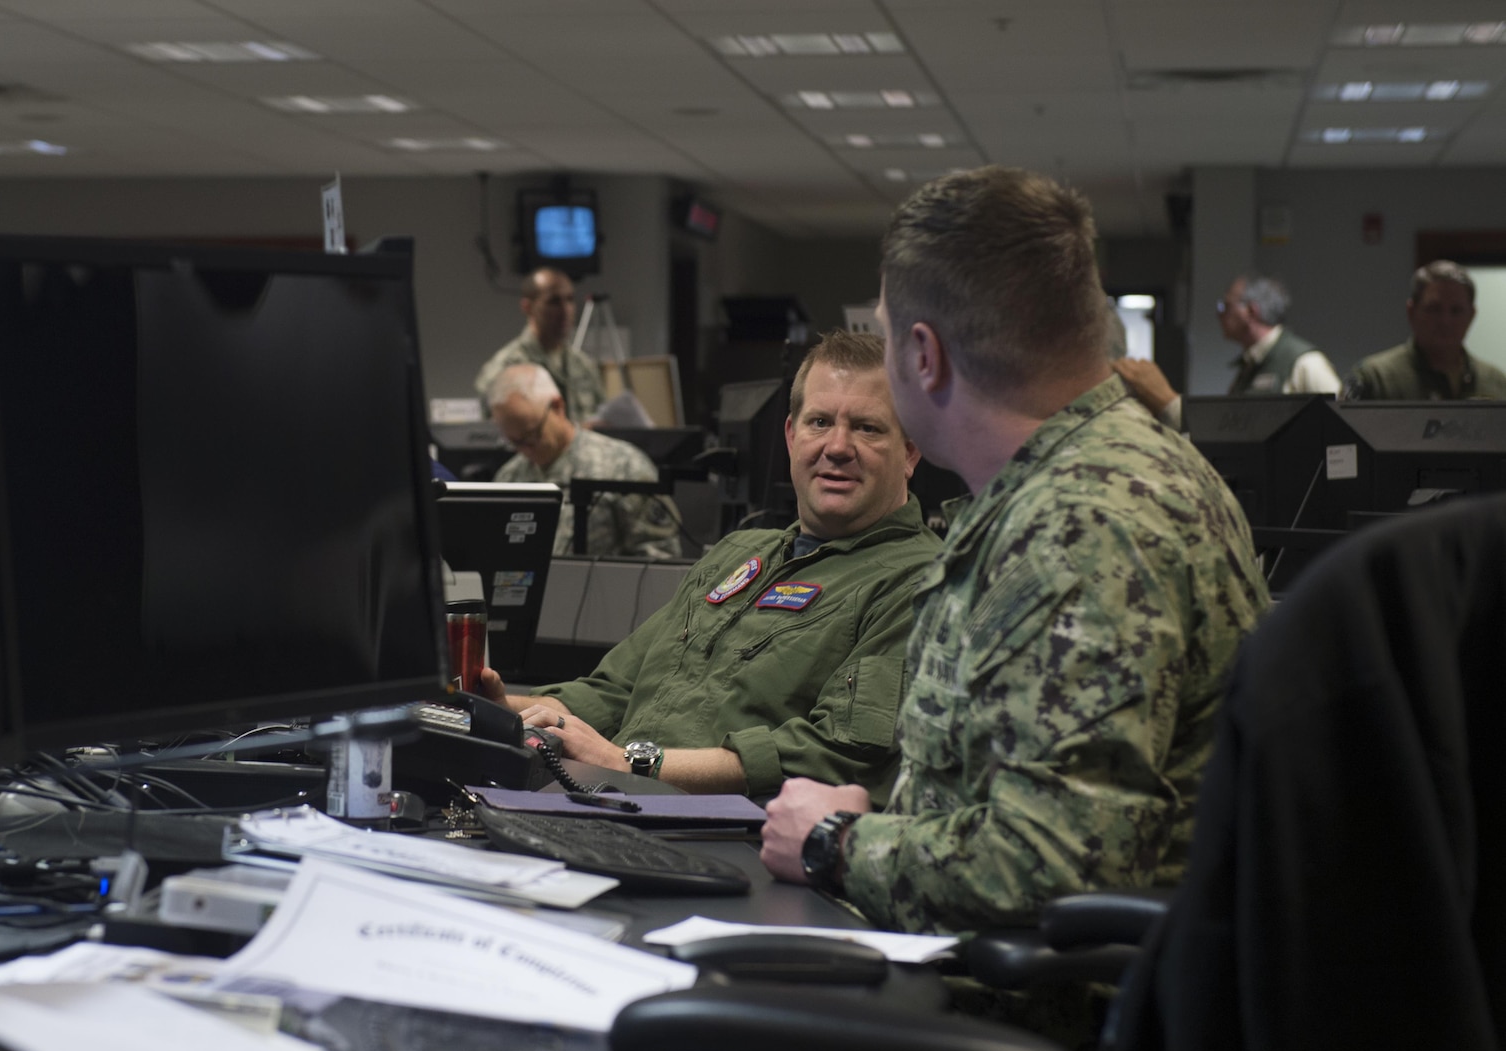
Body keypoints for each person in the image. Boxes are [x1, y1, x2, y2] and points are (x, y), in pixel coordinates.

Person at [759, 167, 1269, 942]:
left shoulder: (1081, 528)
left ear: (923, 356)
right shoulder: (1087, 475)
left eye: (889, 334)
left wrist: (835, 844)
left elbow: (1052, 872)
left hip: (1034, 1019)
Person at [480, 331, 942, 805]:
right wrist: (502, 713)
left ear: (910, 449)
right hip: (611, 801)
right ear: (791, 436)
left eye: (867, 427)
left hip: (728, 836)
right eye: (819, 422)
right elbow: (612, 691)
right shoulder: (738, 554)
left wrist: (635, 765)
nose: (837, 446)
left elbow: (837, 756)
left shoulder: (919, 579)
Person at [488, 363, 679, 560]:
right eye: (514, 442)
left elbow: (660, 557)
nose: (525, 449)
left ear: (557, 407)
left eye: (532, 434)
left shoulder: (622, 465)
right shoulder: (509, 477)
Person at [1113, 274, 1339, 429]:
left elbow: (1343, 425)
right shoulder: (1250, 364)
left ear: (1251, 310)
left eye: (1225, 306)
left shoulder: (1304, 362)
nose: (1219, 314)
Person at [1343, 260, 1506, 401]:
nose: (1445, 321)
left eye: (1456, 311)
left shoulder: (1497, 384)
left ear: (1471, 316)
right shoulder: (1375, 379)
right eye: (1434, 309)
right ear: (1412, 311)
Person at [474, 267, 606, 424]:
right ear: (527, 307)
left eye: (570, 299)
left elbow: (601, 419)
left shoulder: (583, 365)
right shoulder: (505, 369)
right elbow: (494, 435)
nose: (565, 309)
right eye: (554, 302)